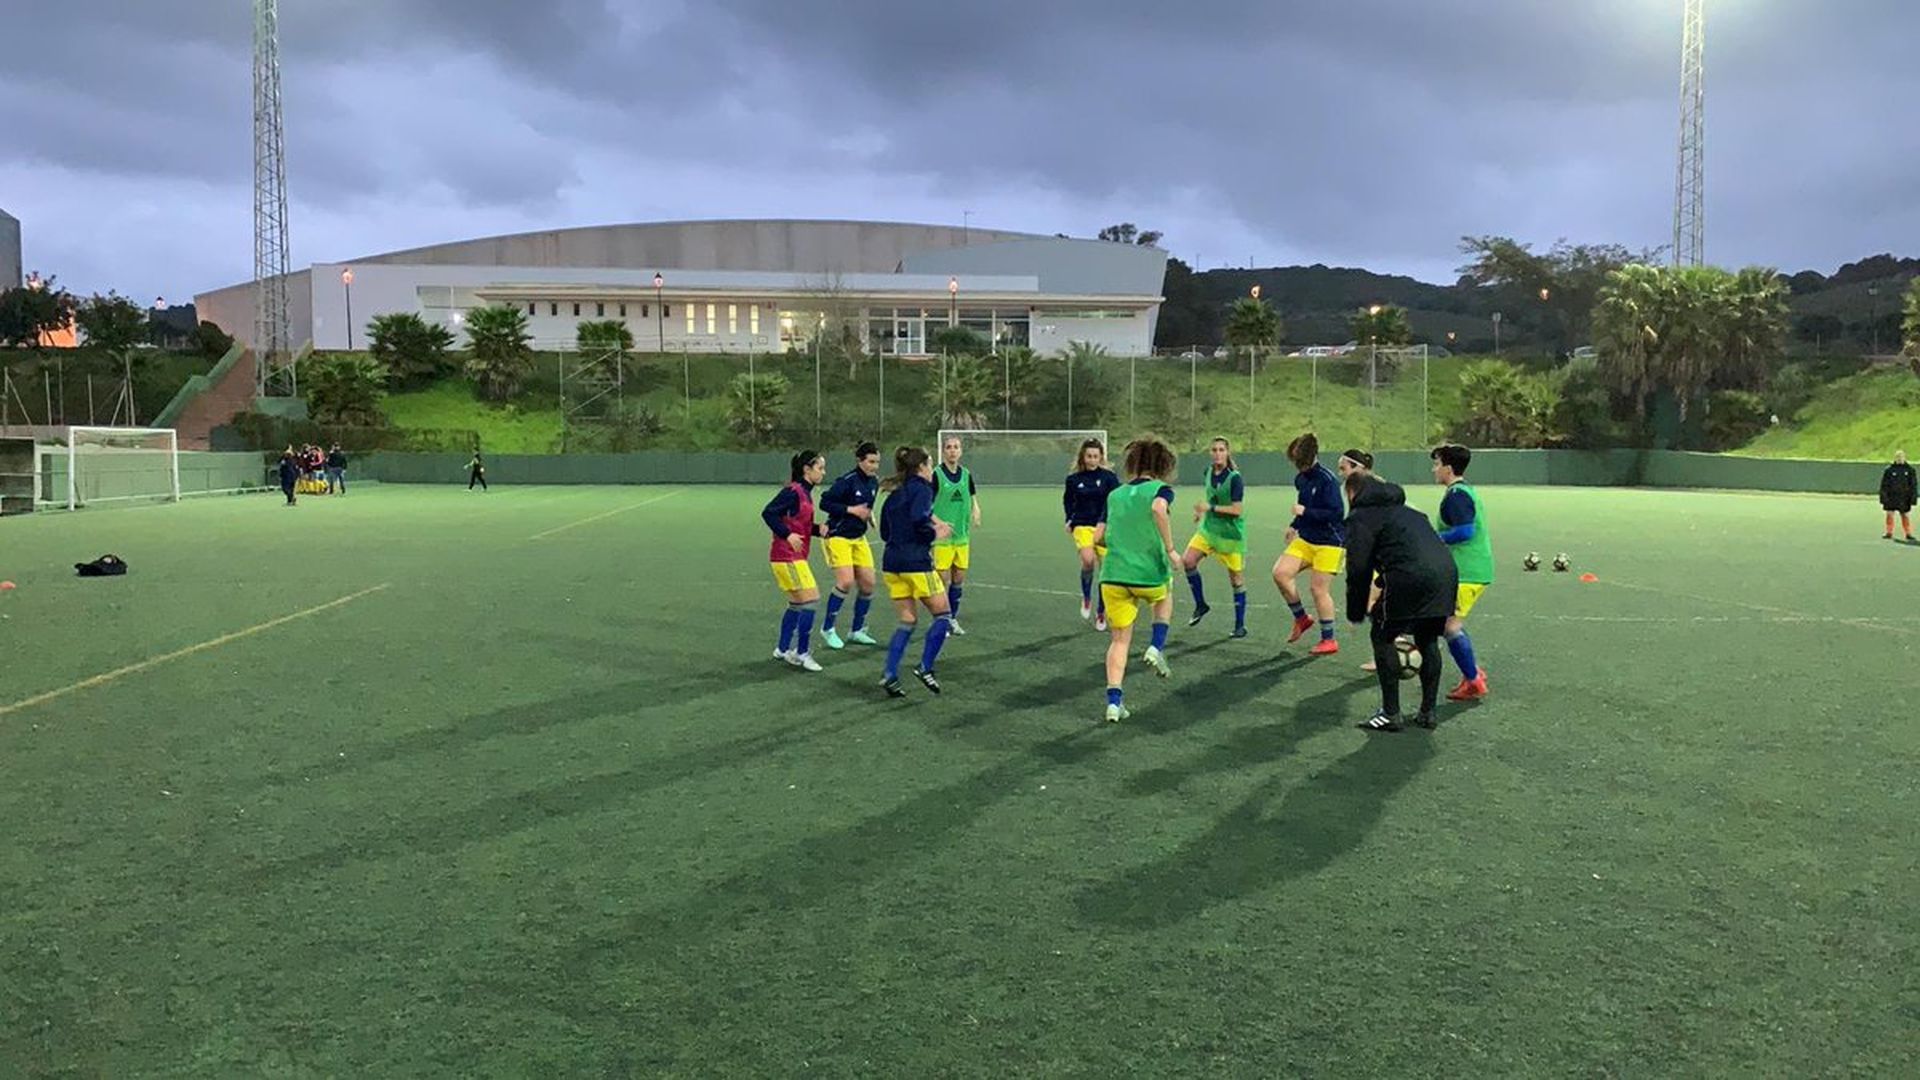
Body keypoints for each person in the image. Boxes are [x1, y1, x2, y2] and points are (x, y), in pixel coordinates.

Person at [1341, 471, 1457, 732]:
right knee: (1427, 638)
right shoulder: (1411, 512)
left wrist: (1356, 610)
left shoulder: (1361, 517)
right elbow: (1409, 551)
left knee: (1382, 635)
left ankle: (1390, 714)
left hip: (1410, 578)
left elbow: (1359, 568)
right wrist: (1382, 585)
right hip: (1445, 575)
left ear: (1352, 493)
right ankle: (1428, 712)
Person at [1097, 437, 1180, 723]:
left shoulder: (1115, 495)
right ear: (1162, 464)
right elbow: (1158, 508)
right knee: (1166, 594)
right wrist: (1170, 549)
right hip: (1147, 573)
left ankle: (1113, 703)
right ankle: (1156, 646)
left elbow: (1098, 537)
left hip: (1113, 576)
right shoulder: (1161, 490)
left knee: (1119, 640)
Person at [878, 446, 956, 696]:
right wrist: (935, 533)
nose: (932, 470)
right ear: (921, 468)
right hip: (916, 564)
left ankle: (890, 674)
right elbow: (918, 518)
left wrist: (931, 523)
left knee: (908, 620)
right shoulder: (922, 489)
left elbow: (884, 532)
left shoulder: (894, 493)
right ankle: (926, 667)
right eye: (930, 464)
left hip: (892, 565)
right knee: (943, 614)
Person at [1272, 433, 1346, 656]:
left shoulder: (1328, 480)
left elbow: (1336, 514)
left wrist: (1306, 512)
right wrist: (1294, 524)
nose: (1299, 468)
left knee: (1318, 589)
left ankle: (1329, 639)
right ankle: (1302, 619)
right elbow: (1303, 506)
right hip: (1306, 538)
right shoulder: (1301, 479)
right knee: (1280, 573)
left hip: (1330, 542)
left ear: (1312, 457)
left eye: (1302, 463)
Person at [1432, 444, 1492, 701]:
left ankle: (1473, 680)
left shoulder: (1457, 495)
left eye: (1436, 464)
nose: (1433, 469)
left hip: (1467, 572)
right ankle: (1473, 671)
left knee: (1450, 627)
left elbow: (1465, 531)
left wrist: (1433, 537)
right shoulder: (1463, 490)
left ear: (1447, 467)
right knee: (1450, 624)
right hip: (1471, 569)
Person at [760, 450, 828, 672]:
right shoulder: (793, 491)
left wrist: (819, 530)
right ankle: (802, 652)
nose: (823, 472)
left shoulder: (805, 493)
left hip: (790, 556)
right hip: (787, 556)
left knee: (797, 603)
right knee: (812, 599)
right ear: (807, 470)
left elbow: (801, 525)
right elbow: (769, 513)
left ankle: (782, 649)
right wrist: (786, 534)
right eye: (820, 468)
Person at [1182, 436, 1249, 638]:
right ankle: (1201, 605)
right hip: (1209, 529)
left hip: (1230, 534)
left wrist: (1209, 507)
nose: (1217, 453)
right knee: (1188, 561)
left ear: (1227, 453)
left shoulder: (1235, 478)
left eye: (1221, 450)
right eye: (1214, 450)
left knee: (1236, 579)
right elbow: (1211, 496)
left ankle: (1240, 625)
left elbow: (1237, 510)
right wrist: (1201, 512)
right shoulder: (1208, 472)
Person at [818, 441, 882, 650]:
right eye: (871, 462)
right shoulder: (846, 481)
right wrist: (851, 510)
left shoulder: (874, 482)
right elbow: (825, 502)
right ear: (859, 461)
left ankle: (857, 630)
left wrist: (869, 515)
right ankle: (827, 629)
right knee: (845, 582)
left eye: (877, 462)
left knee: (868, 584)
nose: (874, 466)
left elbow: (867, 504)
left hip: (858, 538)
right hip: (838, 537)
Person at [1064, 438, 1122, 630]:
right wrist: (1069, 519)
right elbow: (1068, 501)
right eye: (1089, 456)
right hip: (1082, 525)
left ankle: (1101, 611)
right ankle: (1087, 597)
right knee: (1088, 560)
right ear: (1083, 456)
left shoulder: (1109, 478)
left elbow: (1117, 500)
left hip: (1104, 527)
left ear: (1101, 457)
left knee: (1106, 572)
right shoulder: (1073, 479)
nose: (1092, 460)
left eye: (1095, 456)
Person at [931, 435, 981, 635]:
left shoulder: (966, 474)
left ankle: (952, 619)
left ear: (960, 451)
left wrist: (976, 510)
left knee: (958, 580)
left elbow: (972, 496)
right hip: (943, 539)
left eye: (956, 447)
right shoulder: (936, 475)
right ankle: (941, 621)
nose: (952, 450)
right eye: (949, 447)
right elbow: (926, 505)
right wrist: (938, 524)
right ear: (944, 451)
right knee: (942, 581)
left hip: (962, 537)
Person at [1880, 450, 1916, 541]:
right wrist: (1883, 497)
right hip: (1891, 497)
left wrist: (1913, 498)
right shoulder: (1889, 470)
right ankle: (1889, 532)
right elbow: (1884, 485)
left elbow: (1913, 485)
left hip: (1904, 498)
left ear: (1904, 457)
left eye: (1901, 457)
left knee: (1905, 515)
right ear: (1895, 458)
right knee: (1889, 514)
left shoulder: (1910, 470)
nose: (1899, 459)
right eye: (1897, 457)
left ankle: (1908, 533)